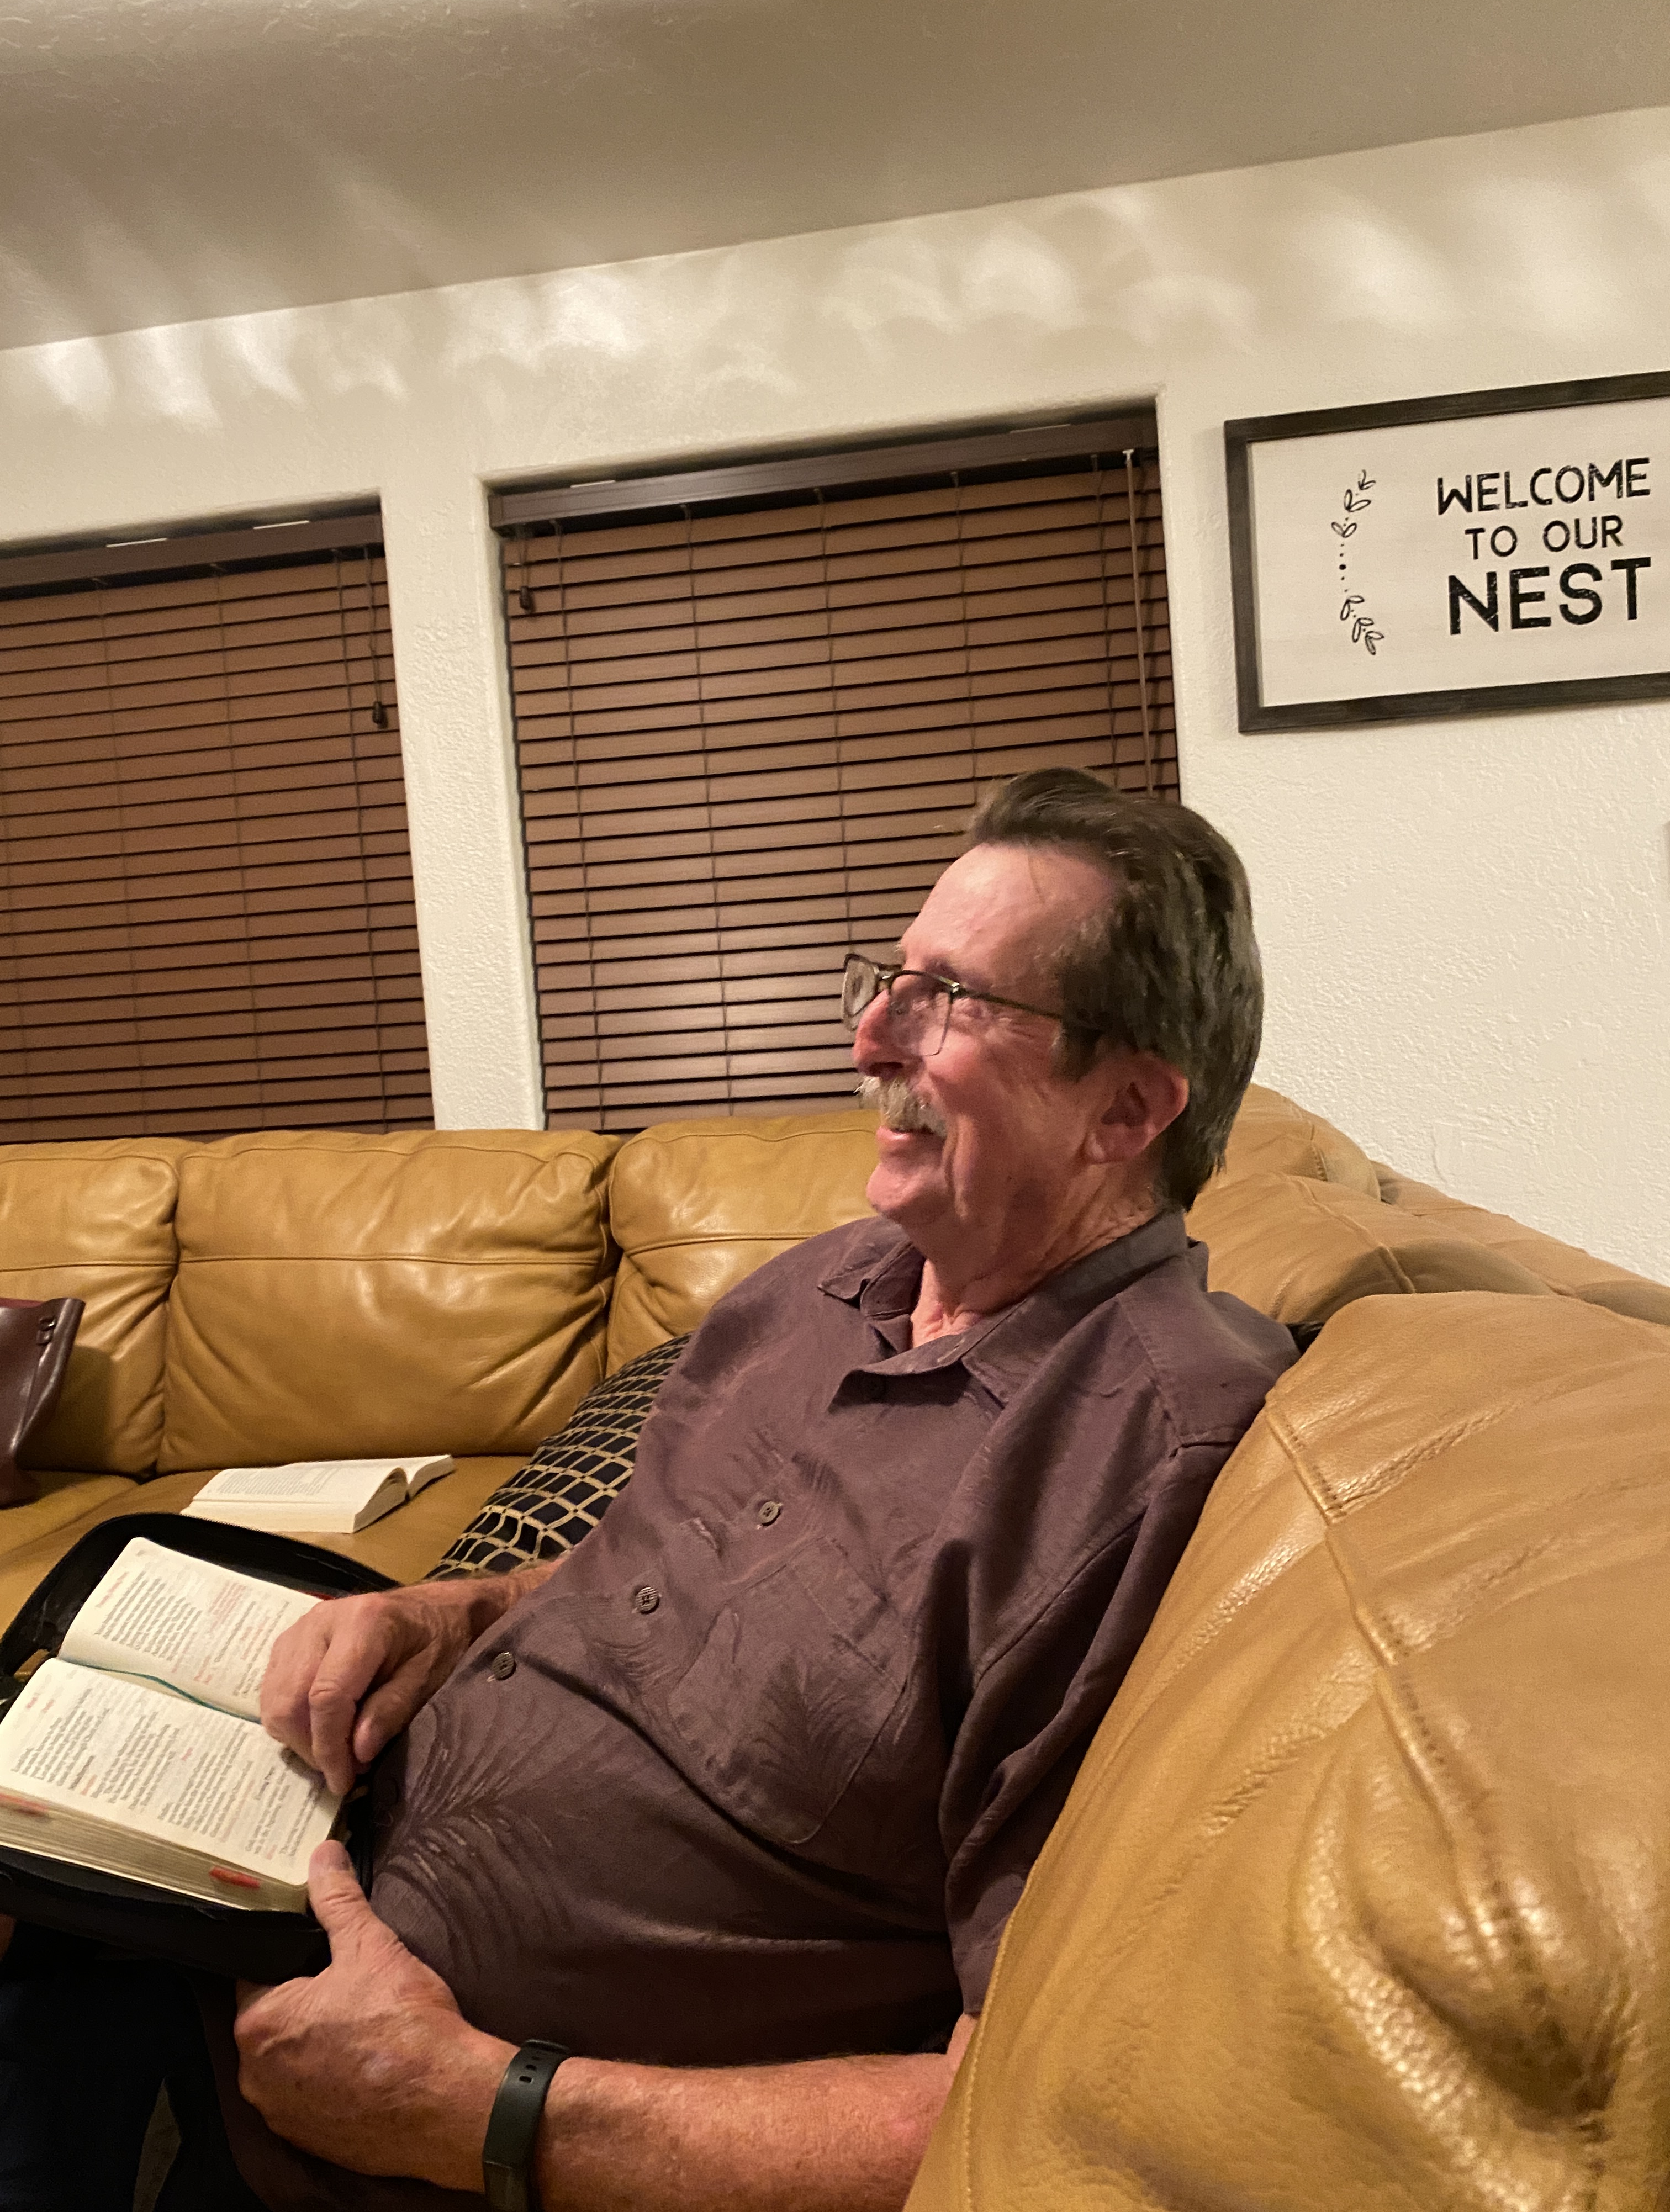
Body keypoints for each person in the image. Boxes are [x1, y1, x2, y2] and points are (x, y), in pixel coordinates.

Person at [0, 768, 1296, 2212]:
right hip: (255, 1902)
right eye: (889, 979)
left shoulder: (1145, 1456)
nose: (869, 1035)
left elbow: (1034, 2103)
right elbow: (668, 1577)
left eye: (952, 1001)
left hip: (400, 2137)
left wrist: (482, 2112)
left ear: (1127, 1109)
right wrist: (450, 1615)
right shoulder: (829, 1283)